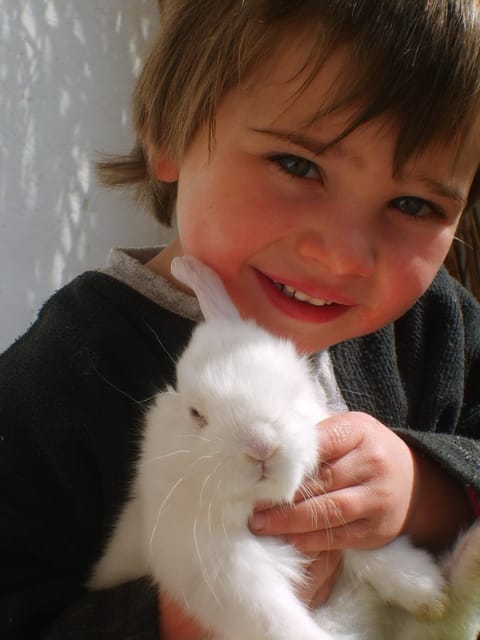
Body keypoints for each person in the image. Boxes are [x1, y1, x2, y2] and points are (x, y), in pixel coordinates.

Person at [1, 1, 480, 638]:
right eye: (298, 165)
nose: (341, 255)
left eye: (413, 204)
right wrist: (185, 613)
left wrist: (426, 489)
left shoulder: (433, 325)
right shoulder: (66, 371)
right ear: (170, 133)